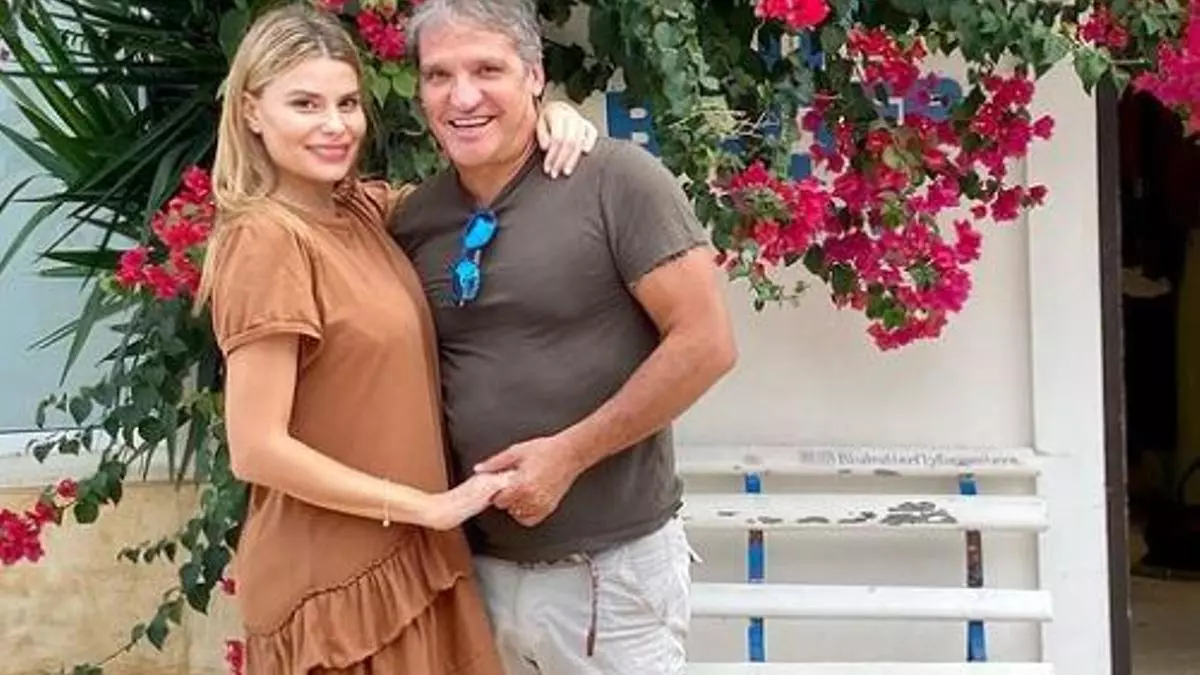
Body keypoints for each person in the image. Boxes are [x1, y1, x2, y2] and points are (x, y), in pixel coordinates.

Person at [196, 5, 598, 674]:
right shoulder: (266, 240)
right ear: (251, 112)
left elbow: (476, 185)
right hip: (340, 588)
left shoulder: (359, 211)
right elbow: (256, 448)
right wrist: (425, 507)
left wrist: (547, 115)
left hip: (412, 558)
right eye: (305, 104)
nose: (335, 125)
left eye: (347, 103)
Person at [392, 1, 738, 673]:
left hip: (609, 576)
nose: (462, 96)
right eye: (439, 75)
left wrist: (570, 455)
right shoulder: (415, 218)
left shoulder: (616, 181)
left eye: (487, 70)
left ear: (534, 75)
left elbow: (706, 343)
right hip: (472, 574)